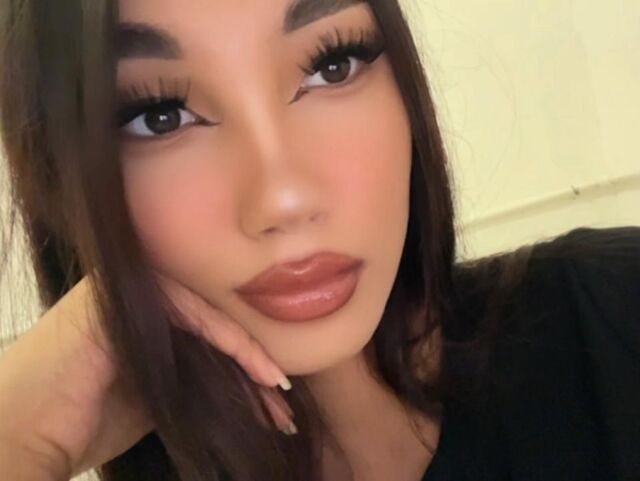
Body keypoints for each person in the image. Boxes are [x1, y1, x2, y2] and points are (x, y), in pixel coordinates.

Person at [0, 1, 637, 480]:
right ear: (64, 180)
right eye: (159, 115)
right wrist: (17, 436)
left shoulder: (612, 314)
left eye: (333, 66)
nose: (285, 198)